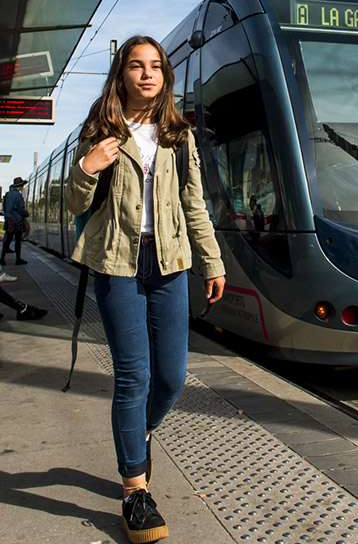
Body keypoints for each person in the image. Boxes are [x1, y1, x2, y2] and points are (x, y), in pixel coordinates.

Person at [64, 35, 226, 544]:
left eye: (155, 66)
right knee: (133, 379)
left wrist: (212, 261)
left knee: (172, 379)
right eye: (136, 66)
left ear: (165, 76)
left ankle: (139, 433)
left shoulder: (179, 136)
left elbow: (194, 205)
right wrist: (88, 167)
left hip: (170, 265)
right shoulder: (100, 130)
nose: (147, 73)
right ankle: (136, 491)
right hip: (118, 265)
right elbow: (73, 202)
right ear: (122, 75)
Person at [1, 177, 29, 266]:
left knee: (7, 240)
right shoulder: (18, 195)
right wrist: (26, 214)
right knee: (18, 240)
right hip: (17, 220)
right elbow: (20, 208)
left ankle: (2, 258)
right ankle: (18, 259)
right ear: (20, 186)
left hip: (9, 219)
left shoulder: (8, 195)